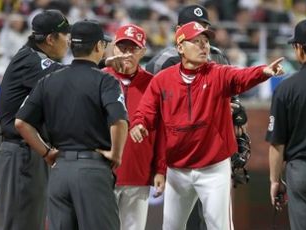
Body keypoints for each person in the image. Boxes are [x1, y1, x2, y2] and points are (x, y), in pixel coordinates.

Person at [130, 21, 284, 230]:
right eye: (197, 41)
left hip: (213, 167)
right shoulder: (163, 80)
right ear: (180, 47)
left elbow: (240, 76)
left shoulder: (217, 73)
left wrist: (263, 72)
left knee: (219, 227)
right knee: (171, 227)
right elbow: (146, 110)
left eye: (206, 41)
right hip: (178, 168)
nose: (204, 46)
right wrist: (139, 123)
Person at [14, 19, 129, 230]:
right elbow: (119, 121)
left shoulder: (49, 80)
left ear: (72, 45)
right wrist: (116, 154)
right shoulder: (106, 81)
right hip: (92, 170)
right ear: (98, 46)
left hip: (60, 172)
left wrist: (47, 153)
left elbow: (21, 122)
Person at [145, 4, 250, 229]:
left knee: (214, 220)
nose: (200, 31)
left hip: (211, 154)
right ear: (179, 31)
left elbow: (236, 105)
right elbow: (151, 113)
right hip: (178, 158)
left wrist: (237, 125)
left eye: (204, 27)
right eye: (194, 26)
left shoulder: (218, 57)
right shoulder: (161, 63)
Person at [0, 9, 70, 230]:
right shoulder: (31, 61)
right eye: (66, 36)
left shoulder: (31, 58)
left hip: (29, 153)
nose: (69, 42)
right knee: (22, 225)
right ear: (50, 39)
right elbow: (71, 76)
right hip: (22, 154)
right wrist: (101, 62)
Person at [103, 24, 166, 230]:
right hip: (102, 174)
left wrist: (160, 169)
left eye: (133, 49)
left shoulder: (153, 84)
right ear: (113, 48)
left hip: (138, 174)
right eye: (122, 47)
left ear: (143, 52)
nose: (127, 54)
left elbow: (161, 132)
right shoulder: (99, 78)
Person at [266, 19, 306, 230]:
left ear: (300, 49)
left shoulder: (286, 88)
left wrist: (275, 180)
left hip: (301, 171)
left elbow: (277, 143)